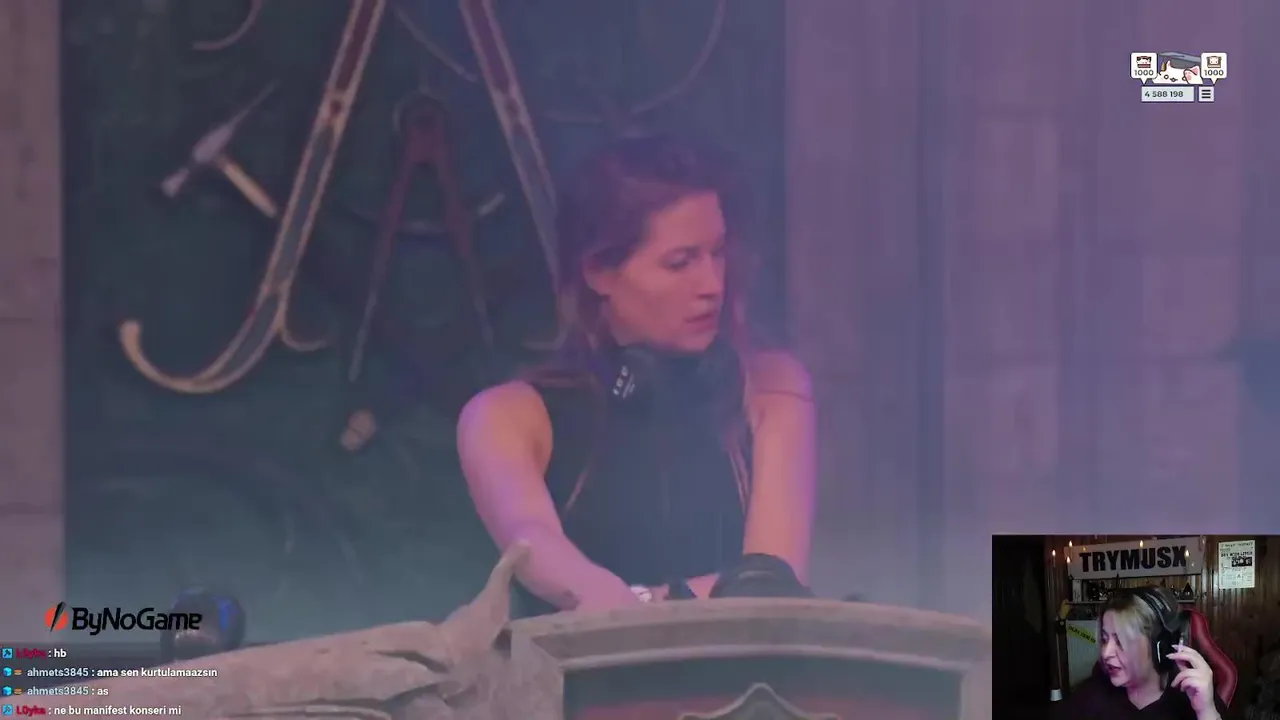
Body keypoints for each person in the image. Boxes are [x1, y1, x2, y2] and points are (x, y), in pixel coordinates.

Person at [457, 134, 815, 615]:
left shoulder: (773, 388)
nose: (712, 285)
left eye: (717, 253)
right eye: (680, 263)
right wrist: (611, 598)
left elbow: (770, 582)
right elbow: (534, 544)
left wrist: (635, 603)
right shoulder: (505, 418)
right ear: (599, 273)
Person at [1052, 586, 1235, 720]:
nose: (1106, 653)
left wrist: (1206, 712)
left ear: (1159, 647)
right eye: (1105, 639)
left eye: (1121, 642)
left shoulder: (1193, 699)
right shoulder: (1093, 693)